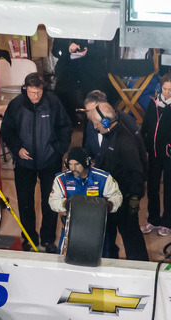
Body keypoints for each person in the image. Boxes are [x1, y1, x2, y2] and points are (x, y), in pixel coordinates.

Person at [0, 72, 72, 252]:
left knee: (50, 202)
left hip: (50, 161)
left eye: (38, 92)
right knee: (25, 203)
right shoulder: (16, 105)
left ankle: (48, 240)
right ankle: (29, 239)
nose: (35, 96)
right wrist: (17, 149)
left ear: (43, 90)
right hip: (24, 164)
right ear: (25, 89)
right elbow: (7, 131)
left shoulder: (53, 103)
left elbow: (65, 127)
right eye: (32, 92)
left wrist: (58, 151)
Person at [88, 102, 149, 261]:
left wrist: (134, 199)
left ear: (106, 122)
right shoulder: (109, 136)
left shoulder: (124, 140)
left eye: (96, 124)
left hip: (125, 200)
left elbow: (137, 171)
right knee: (108, 238)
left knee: (131, 239)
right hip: (110, 197)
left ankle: (140, 269)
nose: (95, 128)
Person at [48, 146, 122, 254]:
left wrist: (108, 205)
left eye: (77, 164)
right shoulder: (61, 179)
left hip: (99, 228)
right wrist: (65, 204)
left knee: (105, 258)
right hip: (72, 228)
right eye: (70, 164)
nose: (73, 168)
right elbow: (53, 201)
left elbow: (117, 196)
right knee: (65, 259)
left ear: (85, 163)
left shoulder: (103, 178)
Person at [51, 38, 111, 125]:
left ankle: (95, 124)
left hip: (91, 68)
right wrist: (68, 49)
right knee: (62, 92)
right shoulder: (63, 29)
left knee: (96, 93)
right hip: (67, 67)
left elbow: (103, 51)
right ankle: (67, 124)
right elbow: (55, 51)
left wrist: (88, 51)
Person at [140, 73, 171, 236]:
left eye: (170, 90)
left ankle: (167, 222)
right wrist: (141, 140)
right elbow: (146, 124)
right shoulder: (153, 104)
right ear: (160, 88)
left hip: (169, 153)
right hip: (153, 152)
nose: (167, 92)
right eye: (165, 89)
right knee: (152, 187)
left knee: (169, 188)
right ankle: (153, 219)